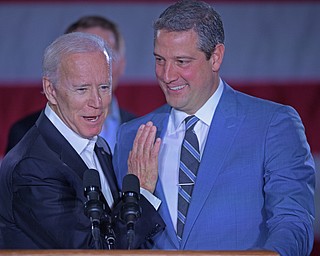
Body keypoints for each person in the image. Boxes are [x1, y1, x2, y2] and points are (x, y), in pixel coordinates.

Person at [113, 0, 316, 255]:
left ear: (216, 56)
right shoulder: (132, 136)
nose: (167, 75)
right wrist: (141, 195)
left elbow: (294, 222)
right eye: (159, 60)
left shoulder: (272, 125)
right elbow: (120, 241)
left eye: (182, 61)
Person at [0, 32, 164, 249]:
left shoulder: (97, 146)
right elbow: (91, 251)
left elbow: (117, 237)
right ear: (51, 90)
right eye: (82, 89)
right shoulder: (32, 166)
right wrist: (141, 191)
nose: (97, 102)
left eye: (104, 87)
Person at [5, 15, 136, 154]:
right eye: (82, 51)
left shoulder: (143, 129)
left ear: (122, 64)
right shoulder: (25, 133)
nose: (93, 63)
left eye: (104, 54)